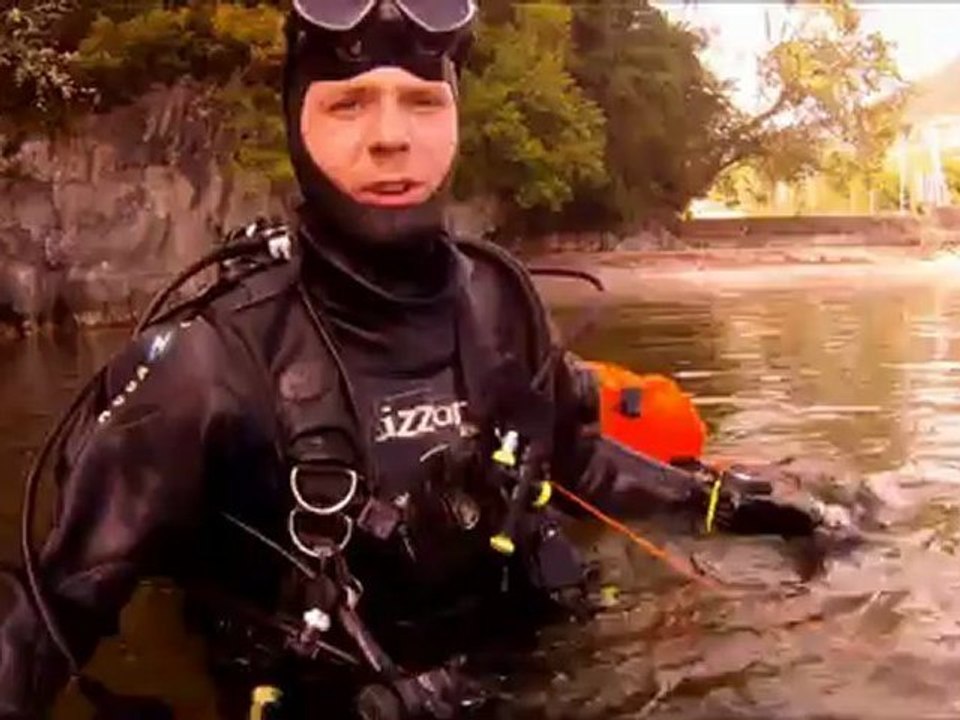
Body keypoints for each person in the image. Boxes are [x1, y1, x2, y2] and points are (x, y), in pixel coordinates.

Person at [0, 2, 857, 718]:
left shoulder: (499, 300)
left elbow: (573, 456)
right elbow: (49, 614)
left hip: (541, 678)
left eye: (421, 101)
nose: (390, 138)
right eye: (348, 105)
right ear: (296, 122)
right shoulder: (209, 365)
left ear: (455, 118)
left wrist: (725, 504)